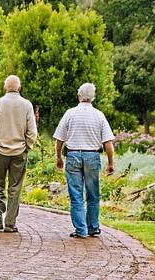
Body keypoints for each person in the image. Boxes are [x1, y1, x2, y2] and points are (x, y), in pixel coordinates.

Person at [53, 83, 115, 239]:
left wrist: (59, 157)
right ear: (93, 97)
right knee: (93, 194)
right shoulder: (99, 115)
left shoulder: (70, 113)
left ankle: (81, 230)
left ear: (79, 95)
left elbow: (59, 139)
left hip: (73, 155)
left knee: (76, 194)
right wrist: (110, 163)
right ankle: (93, 227)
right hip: (92, 156)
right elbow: (108, 143)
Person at [0, 75, 38, 233]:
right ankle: (10, 223)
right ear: (19, 87)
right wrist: (27, 146)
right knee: (15, 188)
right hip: (19, 152)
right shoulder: (27, 105)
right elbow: (32, 131)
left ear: (5, 87)